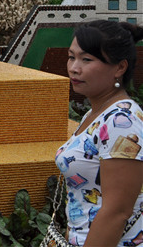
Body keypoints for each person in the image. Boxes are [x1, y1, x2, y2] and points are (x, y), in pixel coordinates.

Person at [55, 19, 143, 246]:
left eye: (87, 59)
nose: (74, 68)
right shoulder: (96, 113)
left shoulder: (122, 121)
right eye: (71, 57)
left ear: (120, 68)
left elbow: (117, 212)